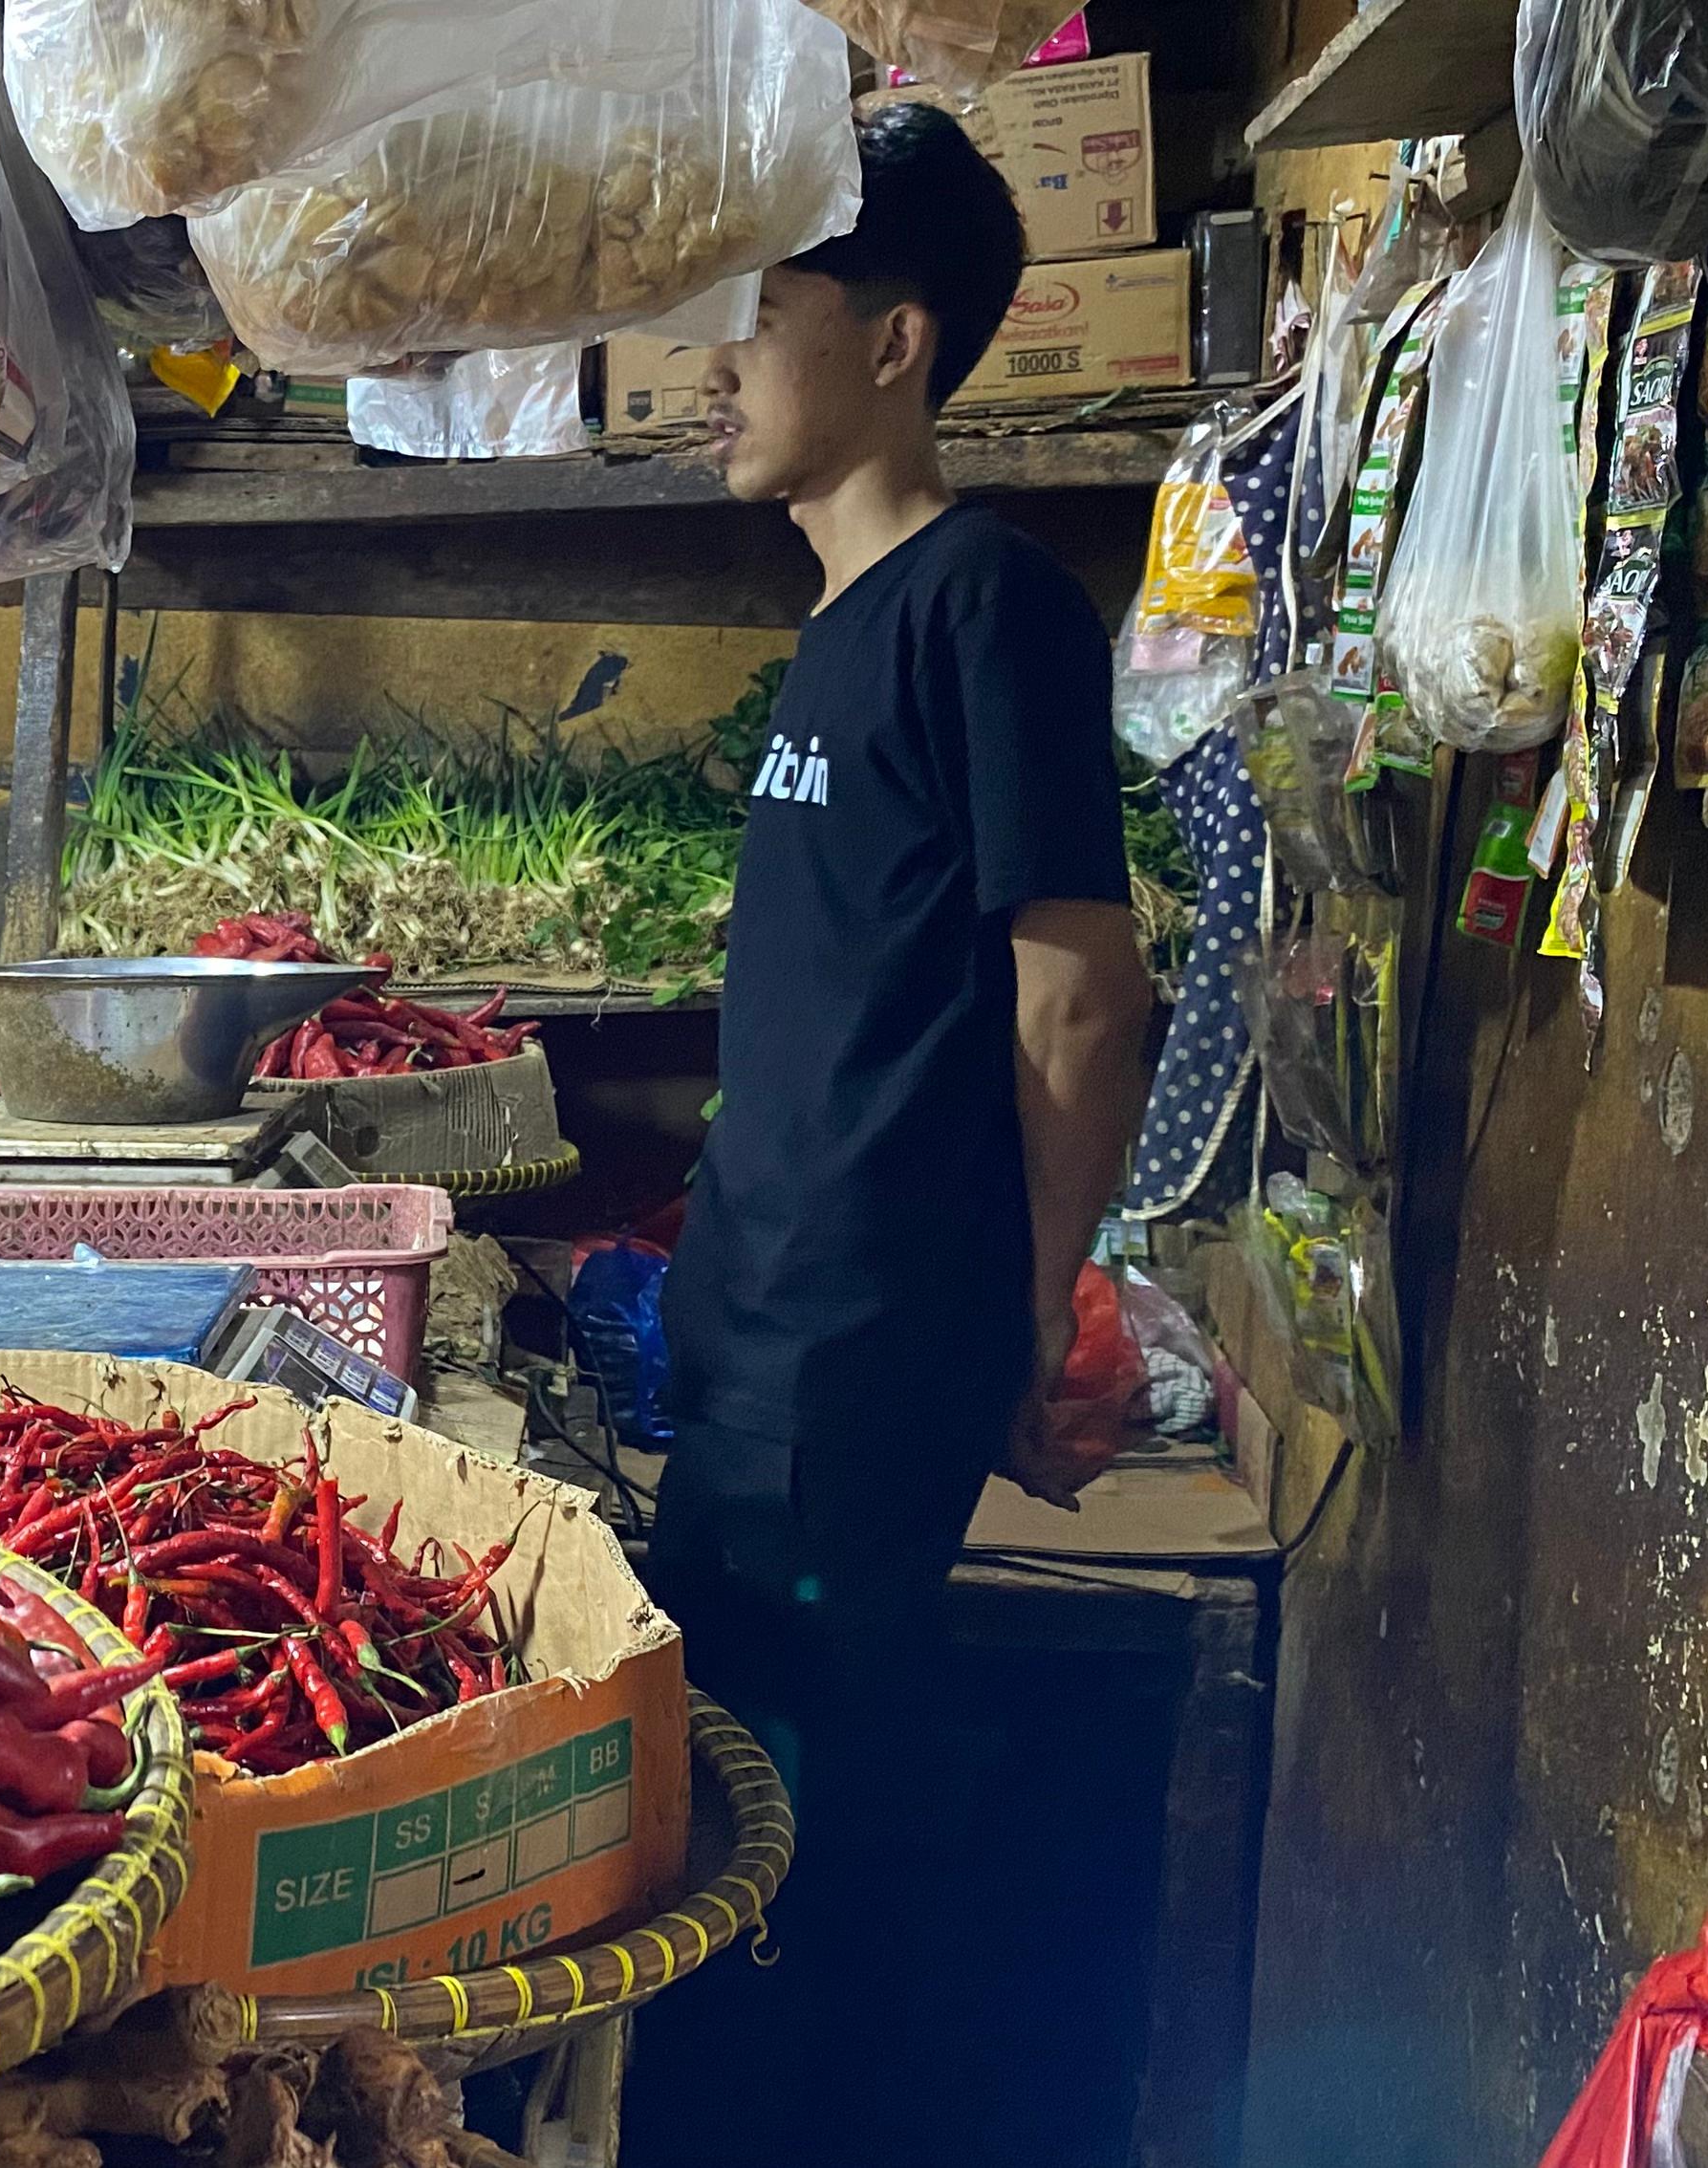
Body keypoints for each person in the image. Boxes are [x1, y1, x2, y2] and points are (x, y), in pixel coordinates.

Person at [626, 103, 1157, 2161]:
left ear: (898, 342)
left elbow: (1080, 989)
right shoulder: (840, 630)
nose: (717, 360)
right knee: (732, 1812)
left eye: (763, 309)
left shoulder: (984, 606)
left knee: (789, 1853)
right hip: (764, 1342)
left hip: (857, 1365)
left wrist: (1025, 1314)